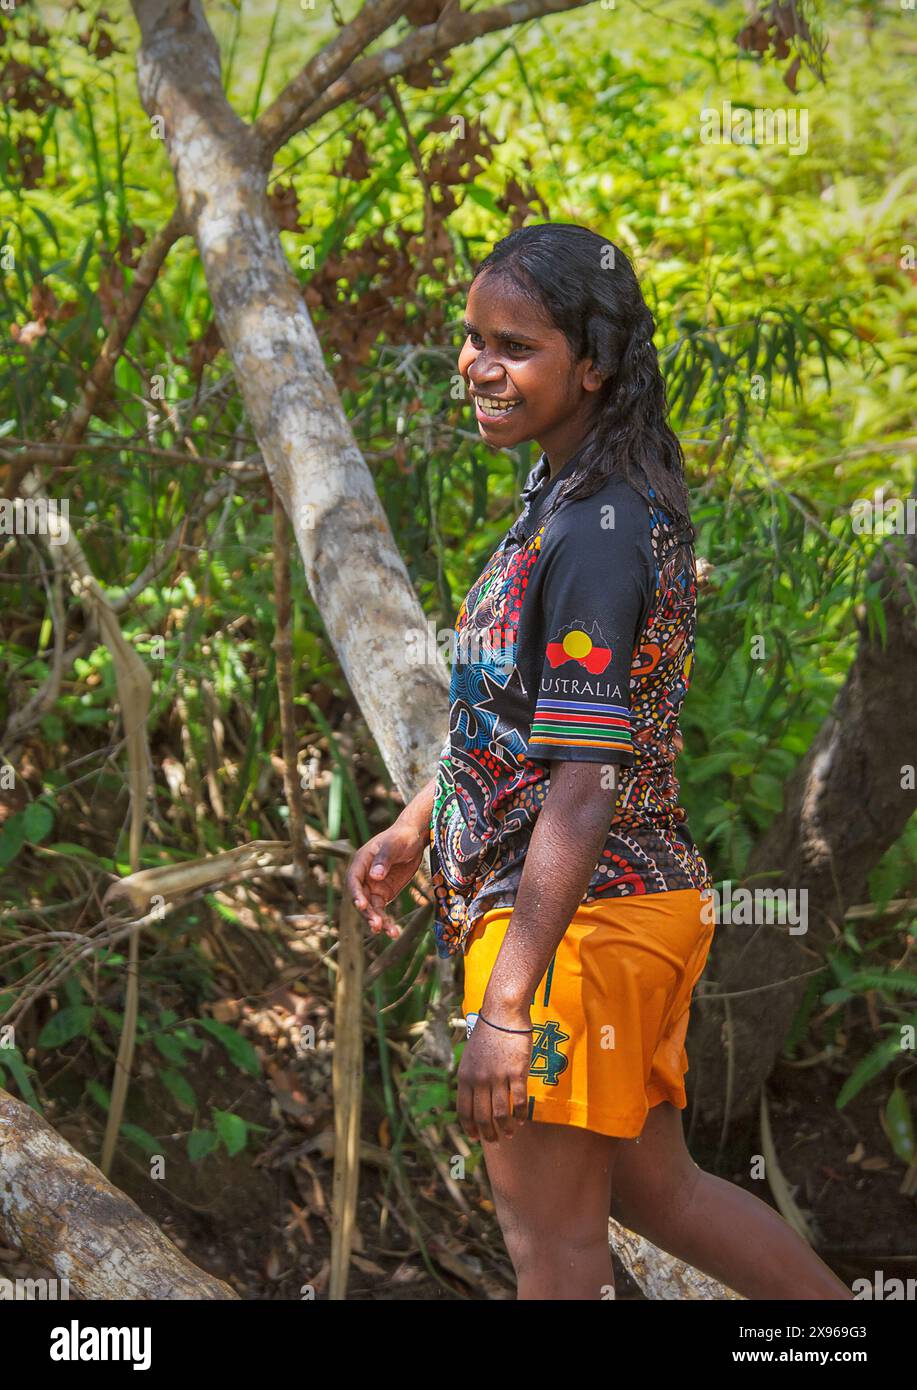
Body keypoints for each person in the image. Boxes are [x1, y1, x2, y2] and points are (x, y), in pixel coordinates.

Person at [347, 223, 852, 1301]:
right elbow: (520, 720)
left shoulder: (593, 533)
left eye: (513, 345)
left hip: (575, 931)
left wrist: (505, 1009)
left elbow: (583, 781)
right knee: (657, 1195)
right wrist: (414, 824)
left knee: (553, 1250)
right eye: (472, 338)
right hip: (634, 911)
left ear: (594, 362)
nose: (477, 366)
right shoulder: (577, 493)